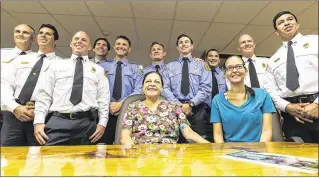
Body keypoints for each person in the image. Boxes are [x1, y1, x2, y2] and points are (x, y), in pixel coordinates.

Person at [33, 31, 110, 145]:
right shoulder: (56, 66)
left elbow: (103, 99)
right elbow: (44, 95)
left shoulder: (98, 70)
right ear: (71, 44)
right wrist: (38, 121)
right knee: (51, 160)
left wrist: (102, 123)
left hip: (87, 124)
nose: (79, 41)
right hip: (58, 122)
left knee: (88, 162)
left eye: (84, 40)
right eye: (76, 39)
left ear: (90, 47)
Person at [1, 24, 62, 146]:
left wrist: (40, 112)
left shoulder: (62, 65)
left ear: (56, 41)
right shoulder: (20, 59)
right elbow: (5, 84)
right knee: (8, 158)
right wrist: (15, 107)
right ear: (36, 38)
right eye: (41, 33)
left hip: (43, 118)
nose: (43, 35)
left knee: (38, 159)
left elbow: (60, 94)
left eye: (48, 33)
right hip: (14, 114)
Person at [263, 11, 318, 143]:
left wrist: (317, 104)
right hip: (292, 118)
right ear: (276, 32)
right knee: (298, 160)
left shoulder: (315, 42)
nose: (286, 23)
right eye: (281, 22)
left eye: (290, 19)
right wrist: (287, 107)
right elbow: (270, 90)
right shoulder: (273, 60)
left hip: (316, 105)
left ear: (297, 24)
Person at [120, 71, 209, 146]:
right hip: (140, 156)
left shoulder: (174, 107)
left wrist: (211, 147)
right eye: (148, 81)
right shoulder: (133, 107)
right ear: (142, 88)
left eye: (157, 82)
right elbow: (125, 137)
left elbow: (189, 133)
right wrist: (133, 154)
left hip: (170, 158)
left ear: (162, 89)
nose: (152, 84)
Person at [211, 56, 275, 143]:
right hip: (229, 152)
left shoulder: (262, 95)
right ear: (225, 74)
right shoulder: (217, 100)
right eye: (230, 68)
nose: (234, 70)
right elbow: (218, 135)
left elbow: (266, 131)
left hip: (258, 150)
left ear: (246, 71)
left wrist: (259, 153)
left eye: (239, 66)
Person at [163, 34, 212, 141]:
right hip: (175, 108)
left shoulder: (202, 65)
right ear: (177, 48)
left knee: (199, 142)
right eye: (180, 42)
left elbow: (206, 88)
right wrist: (179, 105)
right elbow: (165, 88)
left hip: (197, 109)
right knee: (175, 141)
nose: (183, 44)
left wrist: (191, 104)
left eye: (186, 42)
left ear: (192, 46)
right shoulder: (169, 67)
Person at [100, 35, 140, 144]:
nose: (121, 46)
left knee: (124, 145)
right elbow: (96, 89)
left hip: (127, 112)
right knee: (103, 147)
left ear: (129, 49)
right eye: (118, 44)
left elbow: (139, 90)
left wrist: (121, 104)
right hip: (105, 112)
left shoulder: (136, 69)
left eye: (124, 44)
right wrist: (108, 104)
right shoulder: (102, 66)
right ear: (114, 47)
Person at [1, 24, 36, 132]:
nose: (20, 34)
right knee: (7, 148)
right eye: (17, 31)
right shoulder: (2, 54)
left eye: (25, 32)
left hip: (32, 113)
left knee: (35, 148)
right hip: (7, 113)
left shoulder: (38, 58)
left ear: (33, 38)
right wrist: (14, 107)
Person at [204, 49, 227, 142]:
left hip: (222, 111)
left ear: (219, 60)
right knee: (207, 140)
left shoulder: (225, 74)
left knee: (223, 137)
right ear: (206, 59)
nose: (213, 58)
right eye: (210, 56)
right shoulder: (201, 74)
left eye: (216, 56)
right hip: (205, 112)